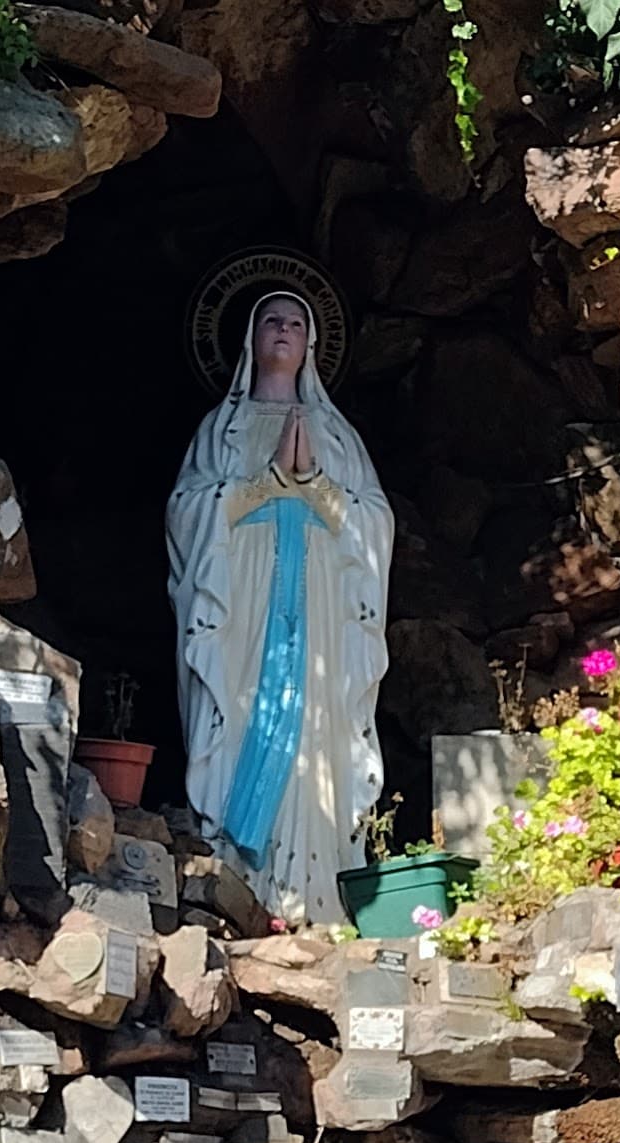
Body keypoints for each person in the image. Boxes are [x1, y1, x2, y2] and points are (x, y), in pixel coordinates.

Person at [167, 291, 394, 924]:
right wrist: (263, 484)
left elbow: (374, 522)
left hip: (318, 604)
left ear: (312, 343)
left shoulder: (337, 433)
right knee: (240, 717)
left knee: (314, 729)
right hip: (244, 606)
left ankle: (312, 891)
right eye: (273, 320)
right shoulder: (223, 429)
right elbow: (186, 512)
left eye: (297, 323)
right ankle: (239, 885)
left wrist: (315, 484)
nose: (284, 331)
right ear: (250, 337)